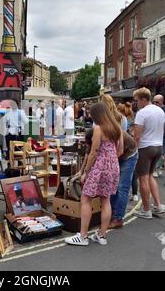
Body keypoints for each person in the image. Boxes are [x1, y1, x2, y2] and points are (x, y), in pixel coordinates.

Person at [65, 102, 123, 246]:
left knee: (86, 199)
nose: (90, 115)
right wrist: (110, 160)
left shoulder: (98, 128)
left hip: (99, 167)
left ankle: (83, 236)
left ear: (98, 114)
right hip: (113, 166)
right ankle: (102, 235)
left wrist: (85, 171)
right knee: (106, 200)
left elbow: (94, 152)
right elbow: (120, 150)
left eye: (92, 113)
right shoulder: (117, 128)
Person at [132, 88, 165, 219]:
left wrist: (133, 151)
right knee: (150, 176)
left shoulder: (142, 113)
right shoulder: (160, 111)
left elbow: (137, 136)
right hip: (158, 146)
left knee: (143, 178)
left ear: (143, 99)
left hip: (145, 148)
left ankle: (146, 209)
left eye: (136, 100)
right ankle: (158, 205)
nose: (135, 103)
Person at [109, 131, 138, 229]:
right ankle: (111, 214)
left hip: (129, 156)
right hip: (121, 155)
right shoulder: (101, 129)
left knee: (122, 188)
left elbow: (119, 151)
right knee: (113, 186)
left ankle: (118, 219)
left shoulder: (114, 131)